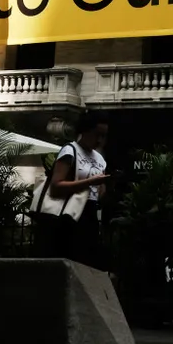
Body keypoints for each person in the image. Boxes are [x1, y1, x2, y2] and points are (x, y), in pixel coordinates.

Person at [48, 112, 112, 268]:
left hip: (91, 213)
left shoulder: (99, 158)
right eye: (97, 135)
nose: (99, 140)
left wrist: (104, 186)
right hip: (71, 213)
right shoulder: (70, 151)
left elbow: (99, 193)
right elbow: (55, 186)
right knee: (72, 260)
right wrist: (90, 182)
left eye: (103, 136)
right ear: (85, 131)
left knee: (88, 262)